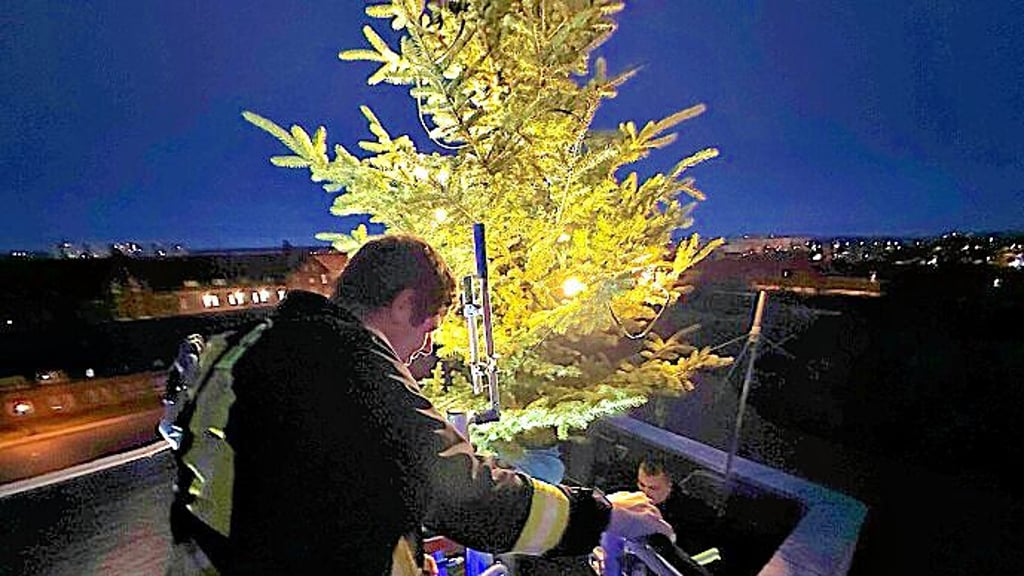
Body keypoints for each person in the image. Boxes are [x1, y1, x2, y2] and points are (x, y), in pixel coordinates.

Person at [169, 234, 672, 575]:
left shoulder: (237, 347)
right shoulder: (351, 367)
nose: (422, 351)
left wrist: (398, 550)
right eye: (427, 329)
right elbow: (468, 494)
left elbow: (296, 486)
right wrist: (602, 514)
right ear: (405, 303)